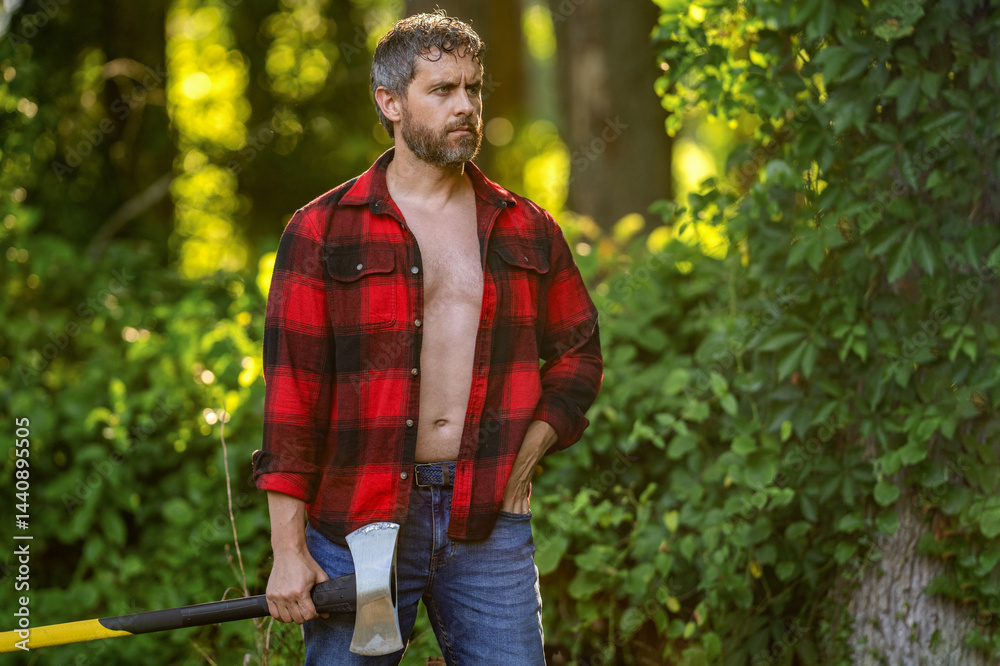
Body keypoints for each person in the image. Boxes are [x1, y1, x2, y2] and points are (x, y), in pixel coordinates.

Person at [252, 12, 603, 665]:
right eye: (442, 91)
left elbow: (580, 354)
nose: (465, 106)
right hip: (358, 520)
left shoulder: (526, 227)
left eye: (473, 89)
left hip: (488, 517)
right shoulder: (323, 230)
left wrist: (530, 450)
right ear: (390, 102)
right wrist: (287, 550)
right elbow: (292, 401)